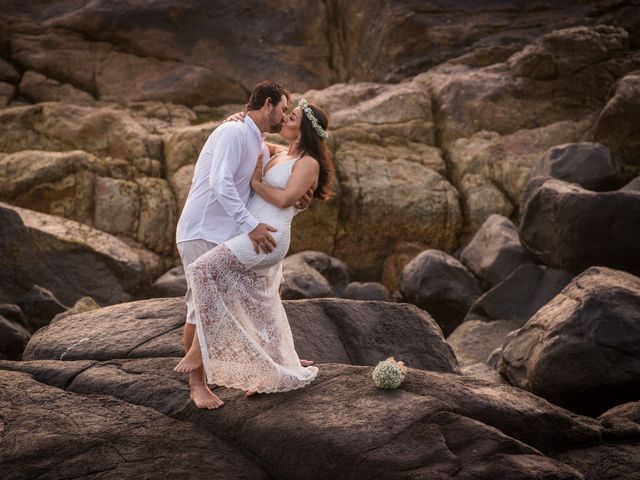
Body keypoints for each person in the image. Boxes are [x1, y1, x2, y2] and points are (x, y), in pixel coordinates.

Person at [173, 98, 334, 403]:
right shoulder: (279, 151)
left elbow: (286, 199)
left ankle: (198, 352)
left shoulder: (308, 162)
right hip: (251, 235)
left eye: (292, 116)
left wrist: (257, 182)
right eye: (285, 112)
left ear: (303, 130)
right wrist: (235, 118)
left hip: (267, 237)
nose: (285, 118)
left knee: (205, 270)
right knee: (262, 301)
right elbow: (253, 136)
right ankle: (278, 364)